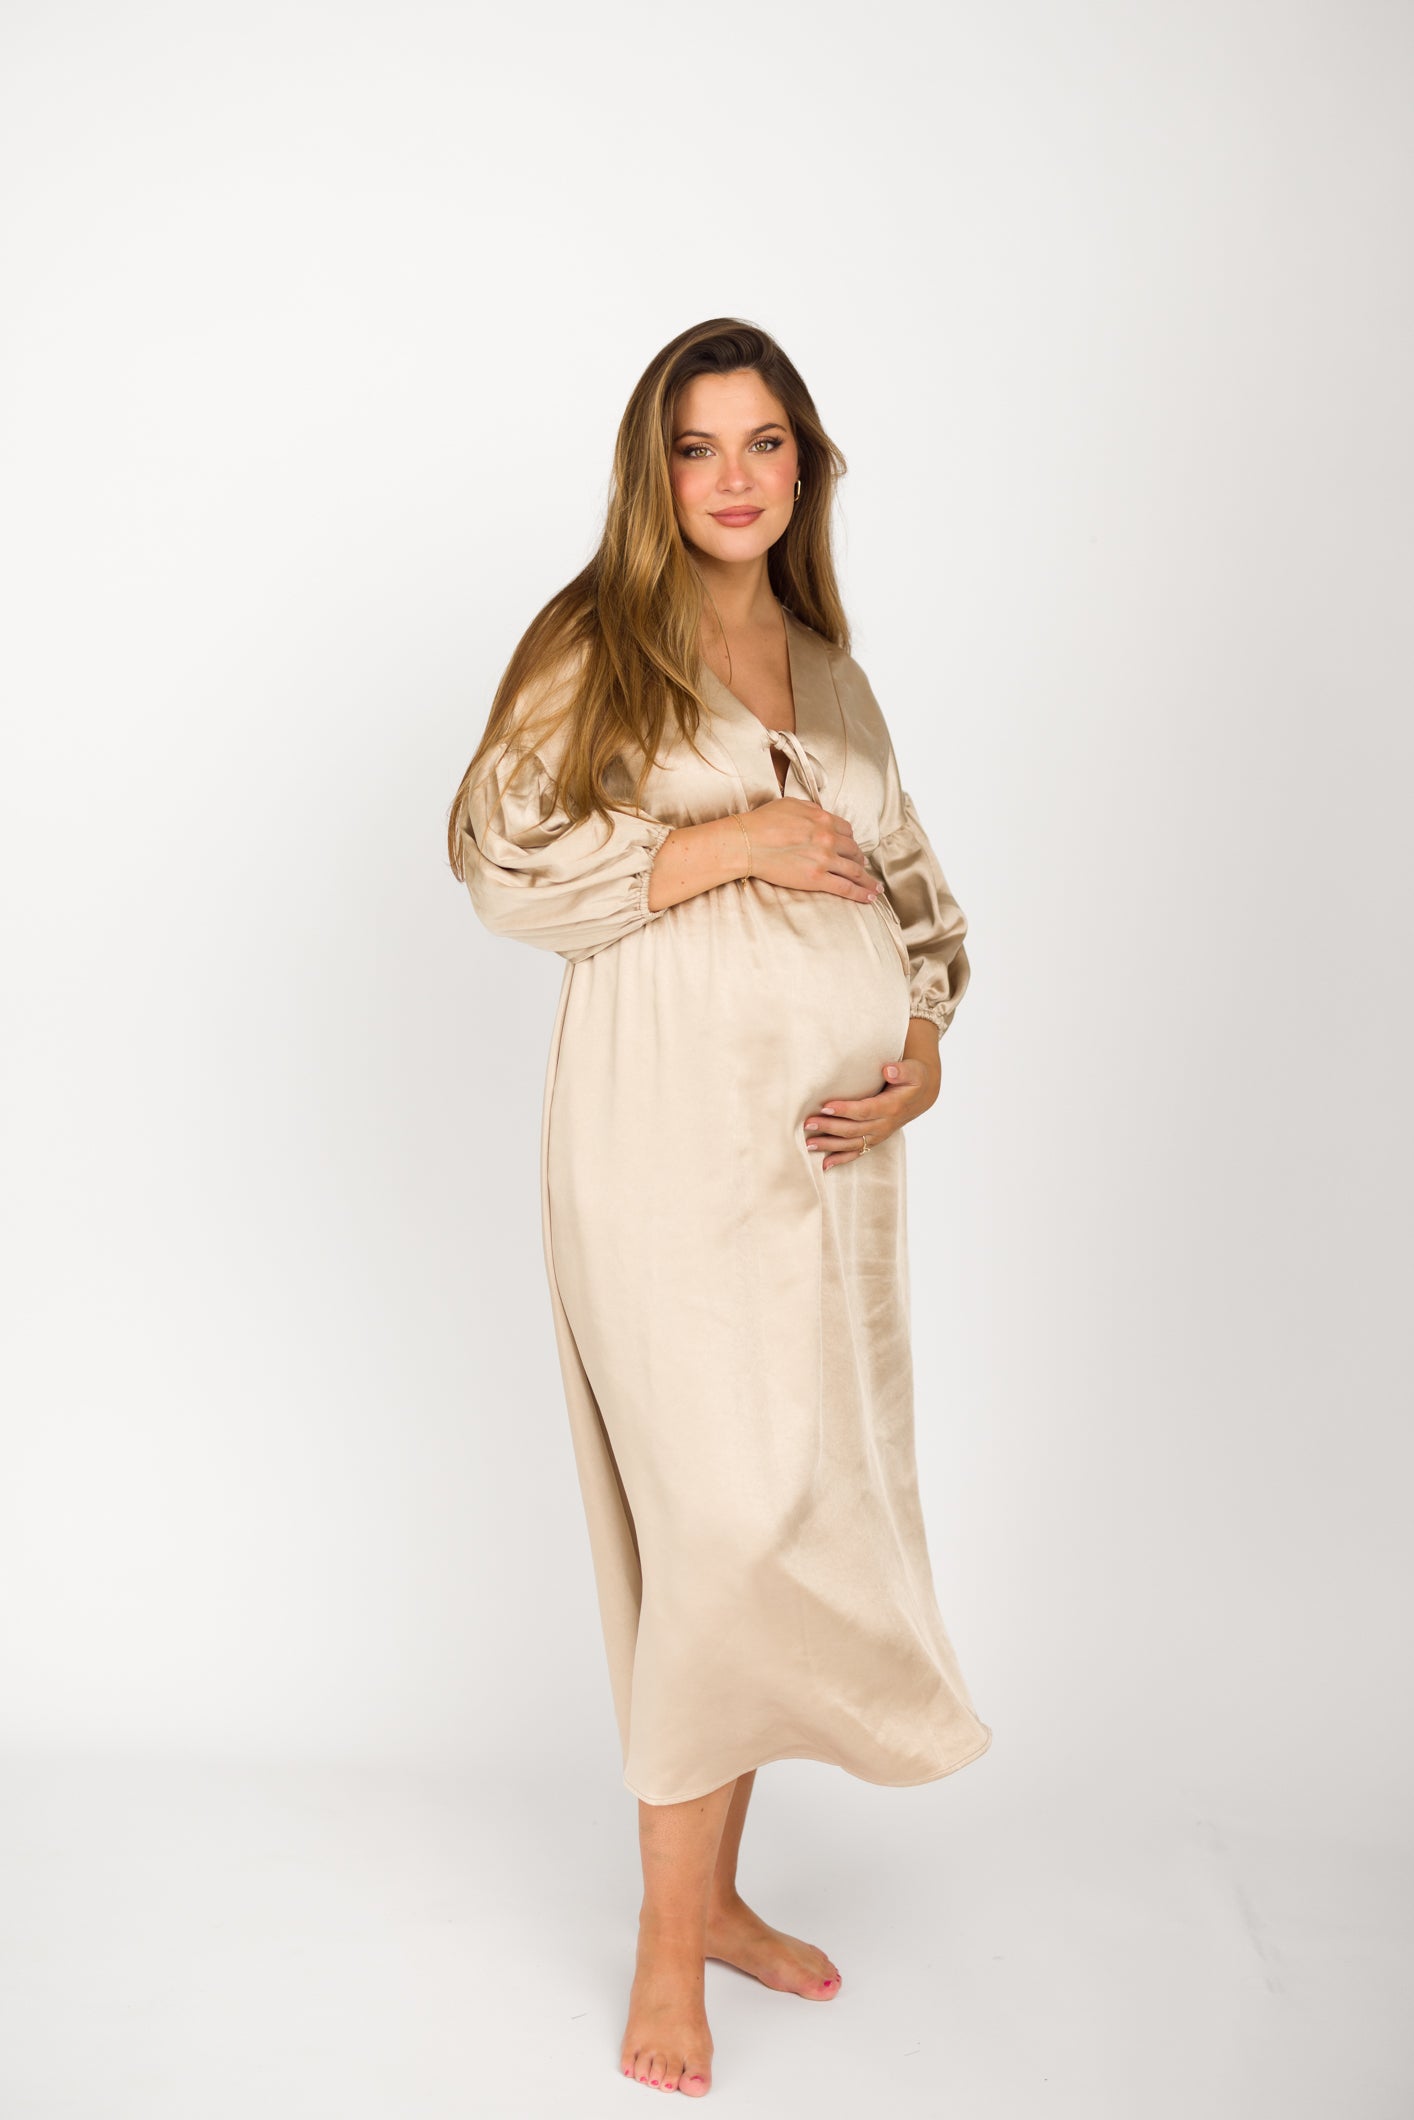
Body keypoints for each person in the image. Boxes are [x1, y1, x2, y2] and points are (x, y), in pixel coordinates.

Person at [447, 317, 991, 2097]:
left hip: (823, 1171)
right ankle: (665, 1946)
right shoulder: (596, 641)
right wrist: (728, 845)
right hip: (659, 1143)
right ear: (653, 470)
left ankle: (719, 1898)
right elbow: (498, 858)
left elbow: (916, 901)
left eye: (765, 443)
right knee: (713, 1526)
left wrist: (919, 1051)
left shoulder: (829, 671)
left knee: (770, 1521)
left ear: (805, 464)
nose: (734, 477)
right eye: (698, 446)